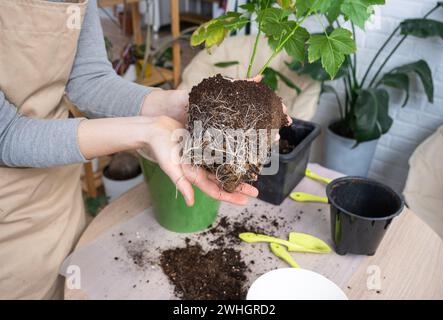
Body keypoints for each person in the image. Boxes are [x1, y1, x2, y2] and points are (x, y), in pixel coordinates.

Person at [0, 0, 266, 299]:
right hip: (8, 229)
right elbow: (6, 134)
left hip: (59, 196)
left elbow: (90, 81)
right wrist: (146, 131)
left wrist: (180, 104)